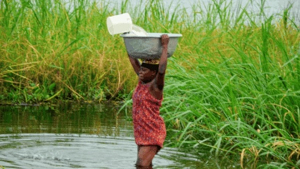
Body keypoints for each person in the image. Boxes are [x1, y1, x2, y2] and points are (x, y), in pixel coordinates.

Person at [127, 34, 170, 168]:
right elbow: (133, 60)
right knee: (146, 165)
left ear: (153, 73)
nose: (140, 72)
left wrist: (165, 46)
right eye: (141, 69)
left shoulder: (156, 87)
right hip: (141, 131)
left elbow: (161, 71)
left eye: (144, 70)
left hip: (152, 131)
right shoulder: (142, 82)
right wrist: (128, 41)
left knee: (141, 165)